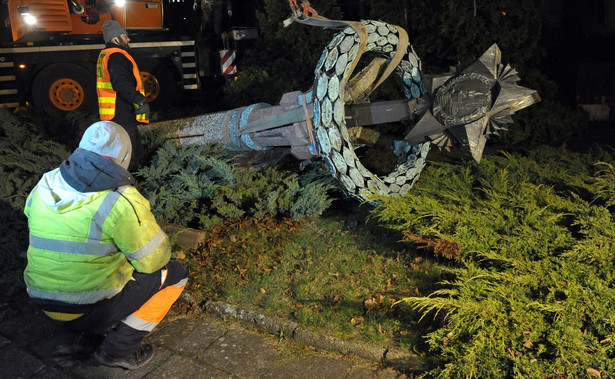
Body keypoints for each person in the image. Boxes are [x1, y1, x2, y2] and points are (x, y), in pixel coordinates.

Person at [23, 121, 187, 370]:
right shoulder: (119, 198)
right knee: (176, 275)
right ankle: (118, 351)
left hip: (41, 299)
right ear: (124, 158)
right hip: (91, 305)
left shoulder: (47, 182)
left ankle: (76, 338)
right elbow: (154, 260)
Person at [97, 20, 150, 172]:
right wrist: (139, 100)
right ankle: (128, 186)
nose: (128, 39)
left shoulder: (105, 55)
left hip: (112, 113)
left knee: (125, 153)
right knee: (131, 156)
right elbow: (120, 83)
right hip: (121, 113)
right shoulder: (117, 56)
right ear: (115, 39)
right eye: (125, 36)